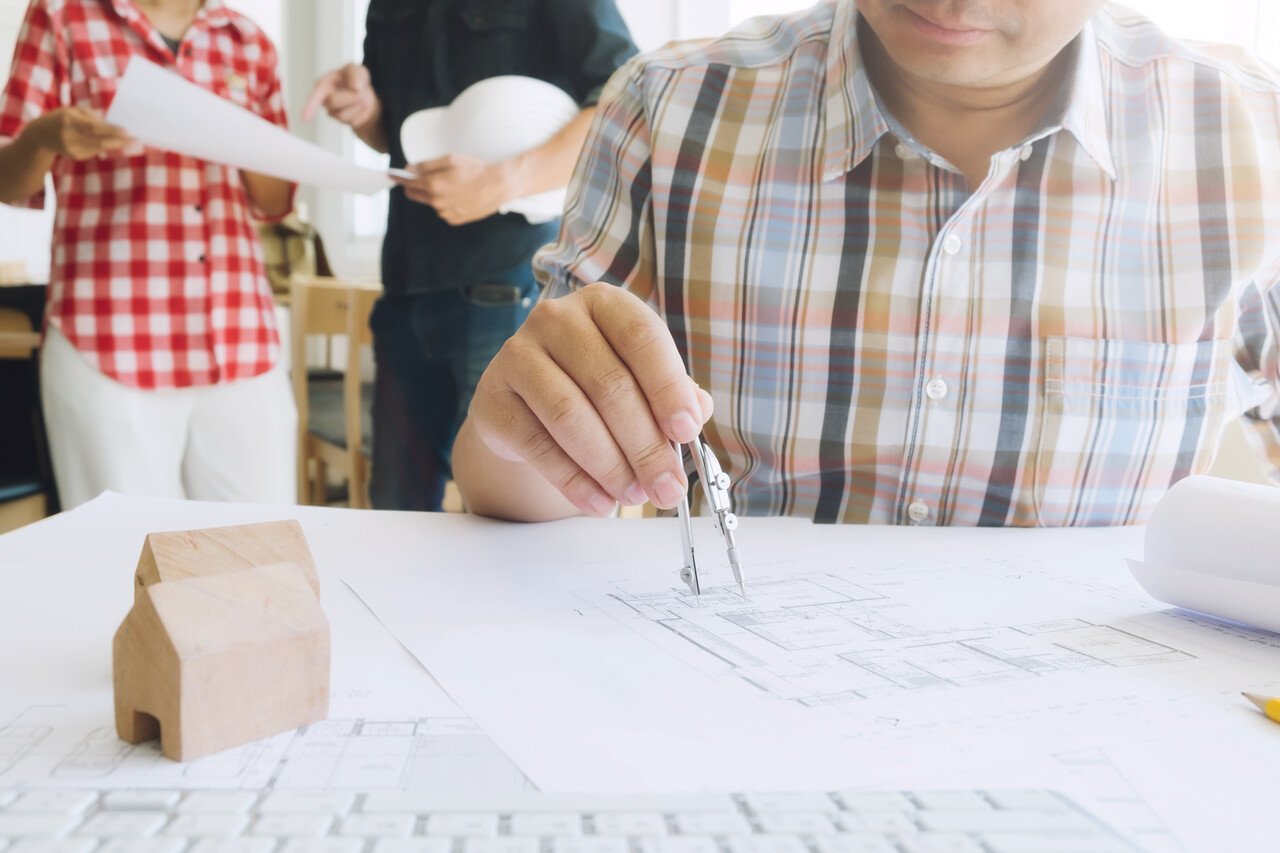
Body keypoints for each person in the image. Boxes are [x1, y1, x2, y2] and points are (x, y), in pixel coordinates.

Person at [453, 0, 1280, 526]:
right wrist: (519, 420)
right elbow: (522, 486)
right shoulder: (670, 110)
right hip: (740, 711)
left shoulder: (1248, 137)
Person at [303, 0, 638, 512]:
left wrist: (503, 181)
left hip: (507, 286)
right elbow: (394, 132)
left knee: (510, 515)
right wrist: (367, 110)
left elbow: (624, 99)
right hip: (404, 287)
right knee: (396, 508)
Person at [0, 0, 297, 510]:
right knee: (121, 560)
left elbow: (274, 201)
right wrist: (45, 136)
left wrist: (244, 139)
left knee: (263, 552)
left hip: (239, 333)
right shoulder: (60, 16)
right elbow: (7, 181)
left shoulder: (247, 39)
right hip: (108, 336)